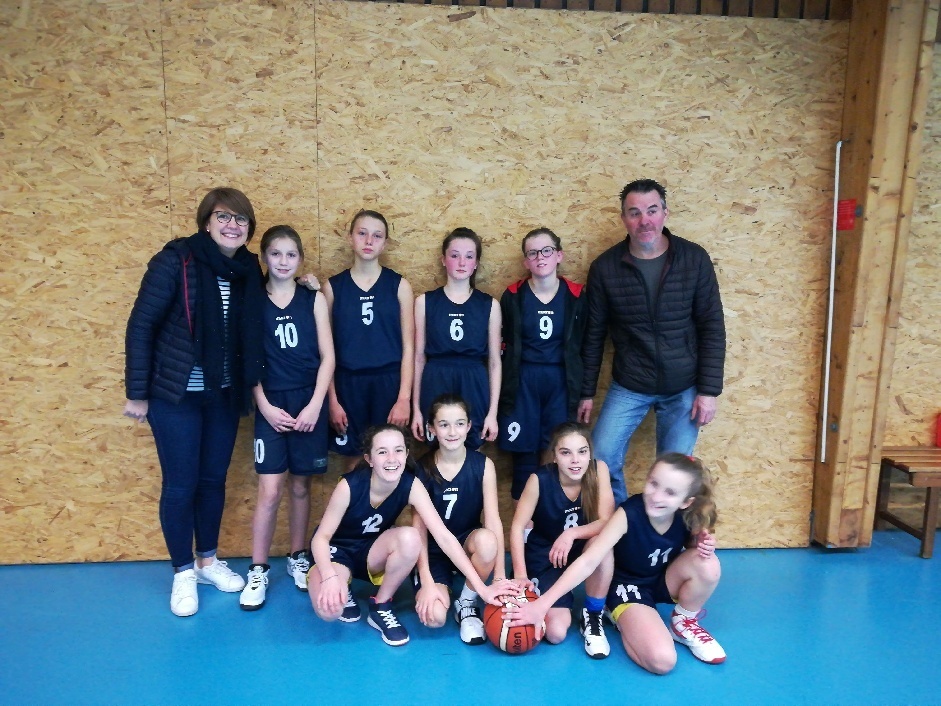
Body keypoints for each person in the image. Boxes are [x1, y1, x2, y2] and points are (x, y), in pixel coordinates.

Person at [124, 187, 265, 616]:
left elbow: (260, 312)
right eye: (223, 216)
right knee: (181, 484)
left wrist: (302, 285)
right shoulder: (176, 260)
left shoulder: (247, 269)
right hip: (176, 396)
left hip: (223, 395)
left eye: (240, 219)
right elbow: (141, 325)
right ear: (206, 221)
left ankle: (207, 561)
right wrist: (137, 393)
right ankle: (183, 572)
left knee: (212, 481)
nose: (232, 225)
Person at [505, 452, 725, 672]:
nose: (657, 496)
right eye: (654, 484)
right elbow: (588, 561)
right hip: (627, 588)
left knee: (707, 563)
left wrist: (701, 543)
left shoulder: (688, 516)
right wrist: (541, 605)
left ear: (686, 502)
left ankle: (683, 622)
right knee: (663, 662)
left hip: (661, 579)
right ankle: (605, 613)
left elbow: (689, 551)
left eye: (670, 492)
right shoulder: (628, 513)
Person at [578, 179, 726, 504]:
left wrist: (708, 391)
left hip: (683, 386)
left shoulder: (694, 259)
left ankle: (661, 532)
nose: (644, 220)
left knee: (674, 475)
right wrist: (586, 392)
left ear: (665, 213)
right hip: (630, 384)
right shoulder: (605, 268)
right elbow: (594, 335)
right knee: (601, 457)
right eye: (634, 213)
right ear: (624, 219)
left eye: (652, 210)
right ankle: (620, 525)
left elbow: (712, 326)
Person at [308, 424, 512, 646]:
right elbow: (321, 538)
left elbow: (443, 536)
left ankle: (381, 605)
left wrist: (482, 588)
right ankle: (341, 583)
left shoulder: (411, 484)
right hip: (337, 553)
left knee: (410, 538)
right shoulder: (349, 486)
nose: (391, 459)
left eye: (398, 450)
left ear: (406, 454)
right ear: (369, 459)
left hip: (372, 551)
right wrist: (328, 576)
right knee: (330, 611)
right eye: (382, 452)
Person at [239, 226, 336, 611]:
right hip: (271, 404)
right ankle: (258, 569)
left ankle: (298, 556)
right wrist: (263, 405)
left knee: (301, 486)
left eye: (290, 254)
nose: (283, 261)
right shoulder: (253, 301)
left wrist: (315, 405)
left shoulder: (313, 299)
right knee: (270, 490)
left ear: (300, 259)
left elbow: (328, 357)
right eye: (276, 254)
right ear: (264, 257)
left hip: (307, 402)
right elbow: (248, 361)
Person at [509, 422, 615, 658]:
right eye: (566, 453)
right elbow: (517, 527)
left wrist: (571, 533)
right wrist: (520, 574)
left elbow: (606, 521)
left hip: (580, 548)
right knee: (555, 633)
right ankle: (555, 595)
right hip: (547, 554)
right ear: (555, 456)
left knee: (603, 546)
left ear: (590, 453)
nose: (575, 460)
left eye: (582, 451)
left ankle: (592, 614)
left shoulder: (599, 470)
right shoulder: (539, 480)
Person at [498, 227, 586, 502]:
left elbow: (586, 345)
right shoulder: (513, 296)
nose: (540, 257)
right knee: (523, 453)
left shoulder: (576, 296)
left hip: (561, 381)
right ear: (526, 261)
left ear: (559, 255)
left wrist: (585, 392)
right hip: (523, 380)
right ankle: (524, 523)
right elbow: (504, 344)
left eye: (546, 250)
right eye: (532, 253)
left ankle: (553, 516)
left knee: (558, 450)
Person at [322, 210, 414, 468]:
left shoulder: (399, 286)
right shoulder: (332, 288)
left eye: (377, 236)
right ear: (350, 237)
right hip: (348, 384)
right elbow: (325, 352)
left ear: (385, 243)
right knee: (354, 459)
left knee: (390, 459)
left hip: (388, 384)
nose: (369, 241)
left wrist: (404, 398)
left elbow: (409, 348)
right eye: (362, 233)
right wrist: (332, 400)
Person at [412, 394, 506, 645]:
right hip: (434, 550)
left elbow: (493, 520)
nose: (452, 432)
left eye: (459, 424)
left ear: (468, 426)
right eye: (444, 424)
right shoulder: (422, 469)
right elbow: (419, 531)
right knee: (434, 618)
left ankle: (466, 603)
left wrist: (499, 576)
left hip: (466, 541)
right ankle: (438, 584)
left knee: (487, 541)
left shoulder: (483, 465)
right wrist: (426, 580)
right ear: (432, 429)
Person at [412, 228, 501, 449]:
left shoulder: (489, 305)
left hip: (474, 379)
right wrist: (416, 409)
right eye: (454, 255)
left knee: (472, 447)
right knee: (436, 447)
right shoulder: (424, 302)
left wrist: (492, 413)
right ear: (443, 260)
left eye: (469, 256)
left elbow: (494, 362)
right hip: (436, 377)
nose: (462, 262)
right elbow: (419, 358)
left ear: (476, 263)